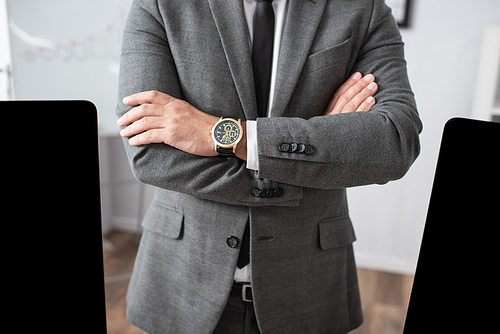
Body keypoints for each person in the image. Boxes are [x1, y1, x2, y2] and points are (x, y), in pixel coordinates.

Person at [116, 0, 422, 333]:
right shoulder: (161, 4)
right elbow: (149, 156)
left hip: (309, 287)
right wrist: (316, 150)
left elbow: (395, 141)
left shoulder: (363, 9)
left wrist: (219, 134)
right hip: (181, 279)